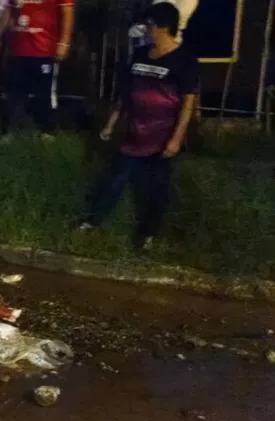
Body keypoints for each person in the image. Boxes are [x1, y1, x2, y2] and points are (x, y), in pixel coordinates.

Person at [80, 2, 198, 250]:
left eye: (151, 25)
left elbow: (188, 104)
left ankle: (148, 234)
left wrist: (176, 138)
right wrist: (111, 124)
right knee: (115, 178)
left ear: (165, 27)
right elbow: (125, 93)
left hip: (162, 135)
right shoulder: (140, 54)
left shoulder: (184, 60)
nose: (146, 30)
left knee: (156, 187)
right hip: (134, 133)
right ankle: (93, 222)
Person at [0, 0, 74, 139]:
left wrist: (64, 41)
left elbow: (67, 12)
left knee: (44, 92)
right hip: (18, 49)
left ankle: (46, 130)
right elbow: (8, 11)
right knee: (14, 91)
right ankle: (10, 130)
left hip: (44, 49)